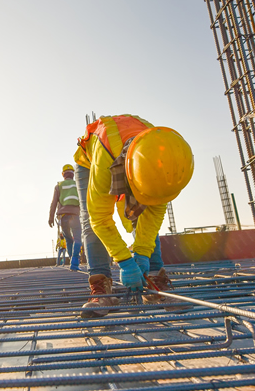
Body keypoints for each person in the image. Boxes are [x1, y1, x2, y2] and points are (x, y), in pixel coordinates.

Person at [73, 114, 193, 318]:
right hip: (92, 160)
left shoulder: (165, 158)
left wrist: (143, 254)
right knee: (89, 221)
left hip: (136, 156)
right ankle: (102, 288)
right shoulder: (105, 160)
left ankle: (154, 280)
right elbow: (100, 218)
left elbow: (153, 215)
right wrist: (125, 262)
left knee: (145, 210)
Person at [48, 164, 82, 271]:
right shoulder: (78, 185)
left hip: (63, 217)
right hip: (75, 216)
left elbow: (54, 203)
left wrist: (51, 217)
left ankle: (72, 259)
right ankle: (75, 262)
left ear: (63, 175)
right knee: (77, 239)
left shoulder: (59, 186)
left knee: (68, 239)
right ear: (73, 174)